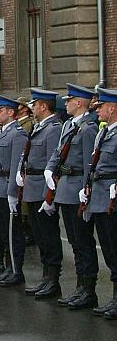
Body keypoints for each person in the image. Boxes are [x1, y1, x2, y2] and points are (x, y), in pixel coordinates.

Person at [46, 84, 99, 309]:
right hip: (65, 188)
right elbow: (58, 153)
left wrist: (87, 189)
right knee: (76, 243)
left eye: (69, 100)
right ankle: (80, 287)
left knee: (83, 242)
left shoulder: (88, 129)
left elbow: (90, 162)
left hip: (77, 187)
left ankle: (88, 289)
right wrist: (50, 170)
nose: (65, 103)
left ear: (79, 103)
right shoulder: (69, 124)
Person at [17, 88, 63, 299]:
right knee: (40, 235)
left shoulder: (53, 129)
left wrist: (49, 196)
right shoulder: (39, 127)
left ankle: (53, 279)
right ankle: (46, 277)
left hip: (42, 188)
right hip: (32, 186)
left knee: (49, 236)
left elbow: (52, 163)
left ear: (43, 106)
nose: (32, 108)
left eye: (34, 105)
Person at [81, 87, 117, 318]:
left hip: (112, 197)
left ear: (113, 108)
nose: (98, 111)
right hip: (99, 195)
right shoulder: (104, 133)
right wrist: (86, 187)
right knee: (108, 248)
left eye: (101, 107)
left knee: (115, 246)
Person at [0, 96, 28, 287]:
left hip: (6, 185)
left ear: (11, 112)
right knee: (2, 231)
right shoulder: (1, 133)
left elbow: (16, 165)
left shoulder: (18, 134)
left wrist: (13, 191)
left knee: (12, 232)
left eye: (0, 110)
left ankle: (16, 270)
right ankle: (8, 267)